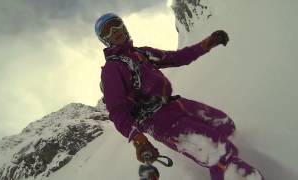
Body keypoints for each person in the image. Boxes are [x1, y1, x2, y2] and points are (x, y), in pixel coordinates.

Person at [95, 13, 264, 180]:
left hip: (176, 105)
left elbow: (176, 58)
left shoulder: (141, 53)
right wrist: (138, 139)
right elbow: (117, 112)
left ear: (123, 26)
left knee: (225, 126)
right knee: (216, 152)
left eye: (116, 25)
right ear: (104, 40)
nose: (114, 31)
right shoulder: (112, 69)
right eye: (107, 31)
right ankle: (233, 172)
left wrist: (207, 44)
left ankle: (233, 164)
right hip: (158, 121)